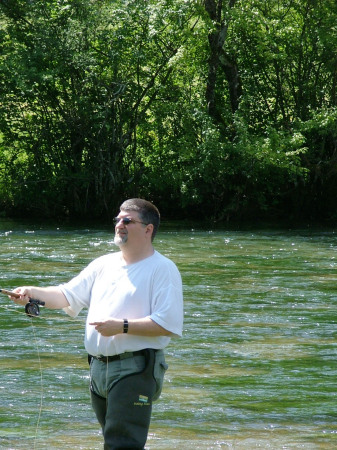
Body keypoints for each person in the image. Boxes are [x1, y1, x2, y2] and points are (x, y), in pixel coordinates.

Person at [10, 198, 184, 449]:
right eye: (117, 220)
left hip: (135, 368)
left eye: (127, 220)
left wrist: (122, 326)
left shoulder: (163, 269)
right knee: (114, 442)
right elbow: (66, 295)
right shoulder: (104, 264)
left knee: (121, 444)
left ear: (148, 230)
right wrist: (31, 292)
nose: (119, 225)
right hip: (98, 370)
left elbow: (168, 324)